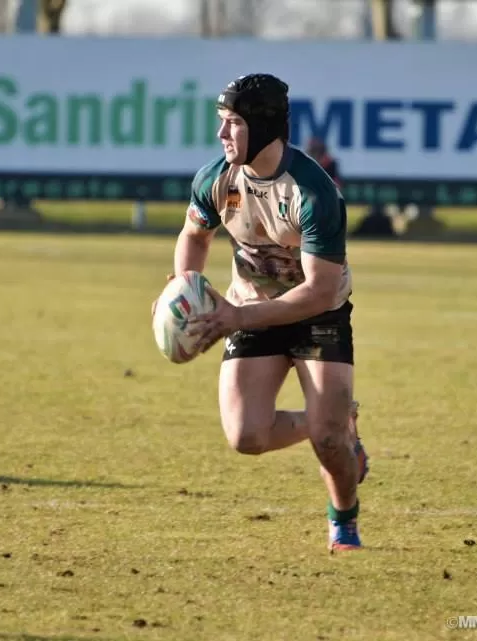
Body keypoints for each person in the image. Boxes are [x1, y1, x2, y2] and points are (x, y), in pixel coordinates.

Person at [160, 74, 369, 551]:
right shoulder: (216, 179)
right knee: (246, 436)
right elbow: (194, 236)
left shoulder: (313, 192)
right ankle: (337, 421)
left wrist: (235, 317)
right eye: (221, 122)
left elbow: (319, 291)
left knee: (329, 444)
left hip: (319, 316)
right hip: (252, 311)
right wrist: (182, 285)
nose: (221, 134)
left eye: (233, 123)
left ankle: (344, 517)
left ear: (264, 127)